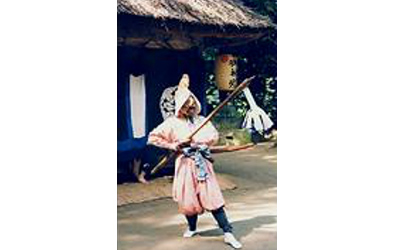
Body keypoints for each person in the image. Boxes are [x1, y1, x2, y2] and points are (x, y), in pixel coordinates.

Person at [147, 74, 242, 249]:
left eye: (192, 106)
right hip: (184, 164)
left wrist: (199, 143)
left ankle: (228, 232)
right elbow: (152, 138)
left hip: (202, 164)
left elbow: (213, 136)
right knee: (188, 199)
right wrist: (175, 145)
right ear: (181, 108)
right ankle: (192, 227)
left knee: (212, 198)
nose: (190, 110)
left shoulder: (202, 120)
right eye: (186, 107)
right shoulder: (172, 123)